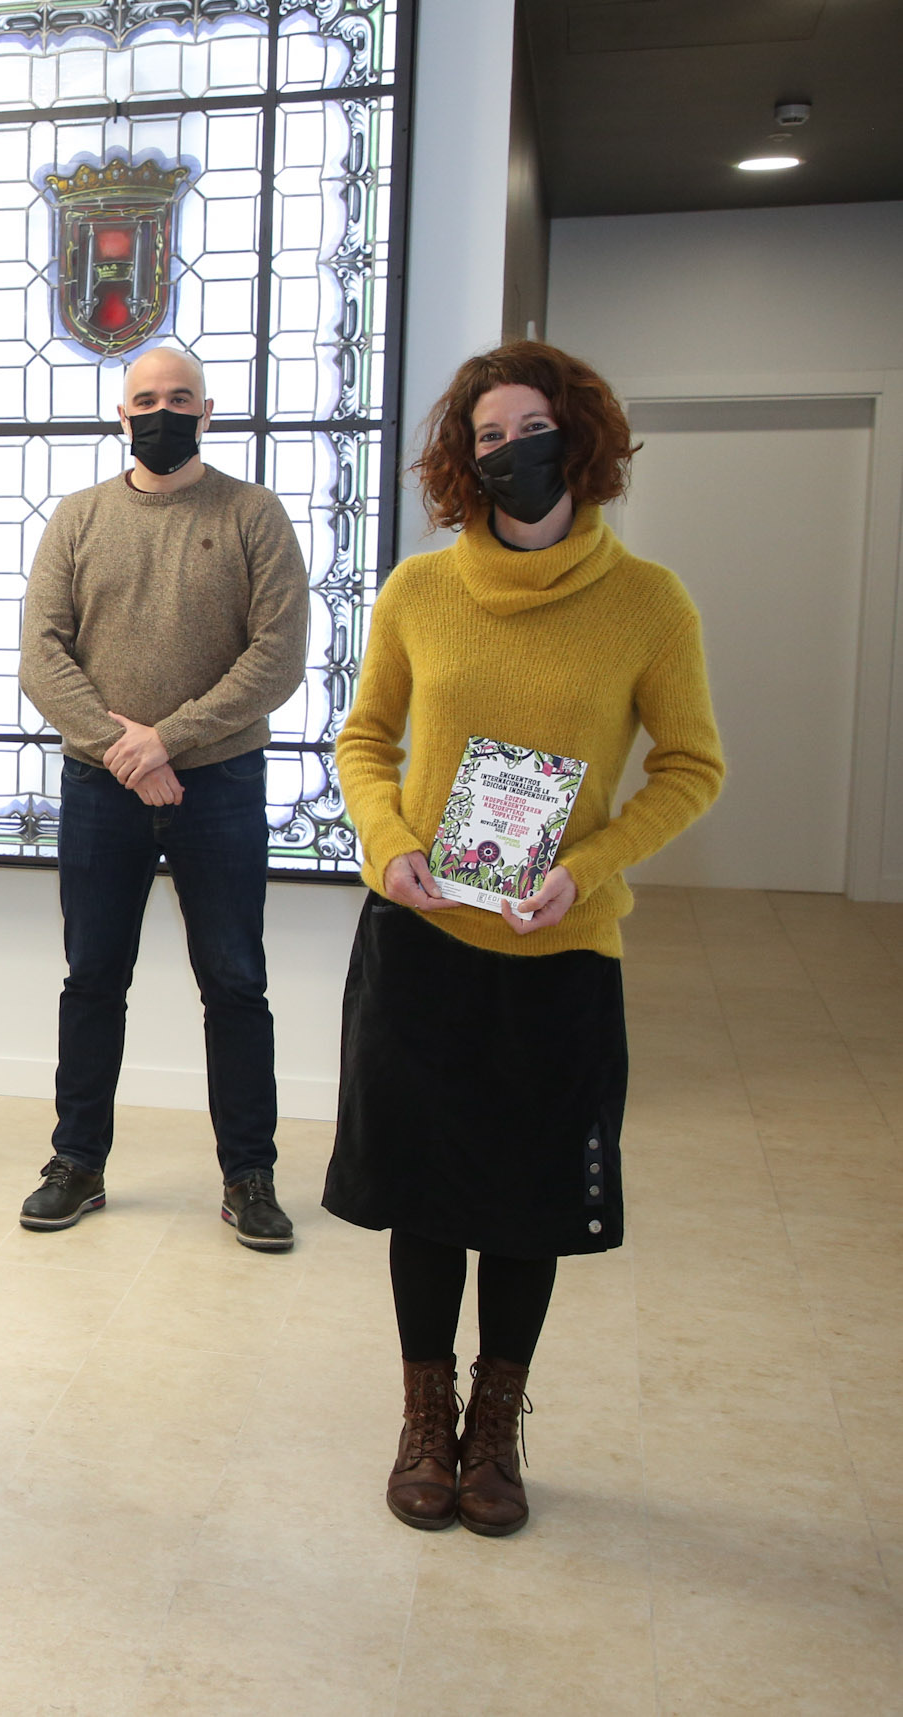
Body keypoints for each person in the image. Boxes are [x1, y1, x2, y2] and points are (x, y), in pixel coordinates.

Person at [329, 341, 722, 1536]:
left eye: (530, 430)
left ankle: (493, 1426)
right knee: (422, 1192)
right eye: (487, 437)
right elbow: (364, 741)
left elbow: (690, 767)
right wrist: (386, 842)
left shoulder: (648, 603)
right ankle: (424, 1416)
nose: (510, 454)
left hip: (558, 953)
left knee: (525, 1196)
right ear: (464, 461)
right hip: (422, 938)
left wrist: (584, 867)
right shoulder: (417, 592)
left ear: (579, 440)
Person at [16, 344, 308, 1252]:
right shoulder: (78, 518)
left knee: (236, 982)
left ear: (208, 411)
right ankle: (76, 1162)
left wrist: (164, 741)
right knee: (92, 978)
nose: (162, 412)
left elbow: (277, 657)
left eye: (180, 398)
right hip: (99, 786)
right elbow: (40, 656)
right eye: (145, 399)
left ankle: (249, 1176)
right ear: (121, 413)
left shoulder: (253, 514)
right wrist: (127, 753)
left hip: (221, 784)